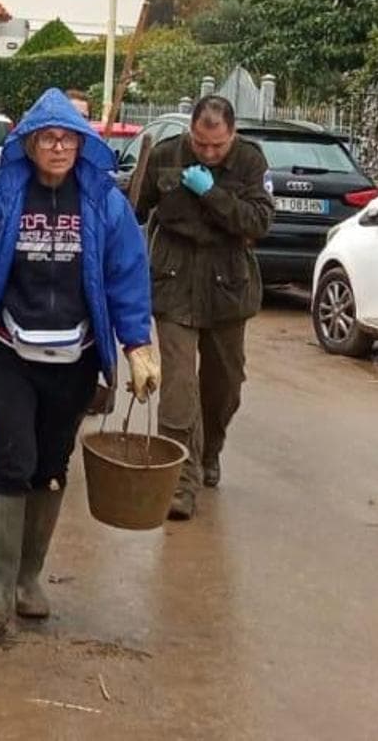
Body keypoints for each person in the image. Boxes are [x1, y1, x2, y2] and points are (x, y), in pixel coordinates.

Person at [0, 88, 158, 624]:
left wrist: (137, 345)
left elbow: (126, 277)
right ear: (27, 145)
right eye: (47, 138)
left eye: (68, 138)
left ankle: (29, 579)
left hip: (75, 355)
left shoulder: (104, 205)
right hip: (8, 349)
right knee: (10, 457)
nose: (58, 147)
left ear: (82, 144)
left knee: (50, 464)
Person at [129, 95, 272, 518]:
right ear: (192, 130)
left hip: (226, 285)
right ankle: (180, 483)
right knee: (178, 385)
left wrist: (212, 195)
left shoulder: (249, 161)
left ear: (232, 136)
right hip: (173, 282)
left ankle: (210, 449)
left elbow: (259, 222)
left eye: (218, 146)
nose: (208, 153)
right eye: (201, 144)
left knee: (224, 385)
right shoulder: (165, 154)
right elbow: (133, 209)